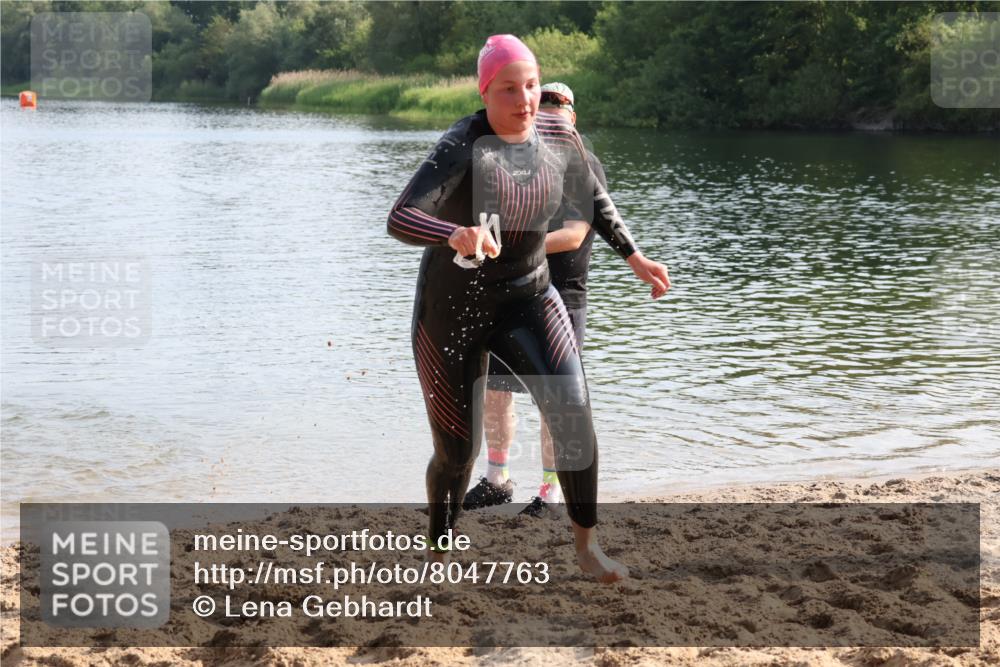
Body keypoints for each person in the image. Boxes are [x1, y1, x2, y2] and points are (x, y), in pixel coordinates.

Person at [387, 35, 670, 583]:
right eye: (510, 89)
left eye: (533, 85)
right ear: (485, 91)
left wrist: (634, 256)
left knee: (574, 416)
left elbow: (593, 196)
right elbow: (400, 217)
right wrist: (454, 232)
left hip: (529, 296)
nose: (525, 99)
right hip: (452, 311)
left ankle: (588, 551)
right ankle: (440, 547)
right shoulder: (463, 144)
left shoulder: (559, 133)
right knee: (456, 453)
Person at [463, 82, 655, 517]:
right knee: (496, 390)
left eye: (558, 108)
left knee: (554, 396)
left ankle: (549, 492)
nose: (550, 115)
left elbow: (573, 236)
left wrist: (512, 247)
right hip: (514, 289)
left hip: (563, 295)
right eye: (543, 108)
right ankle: (497, 479)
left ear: (573, 117)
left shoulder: (584, 167)